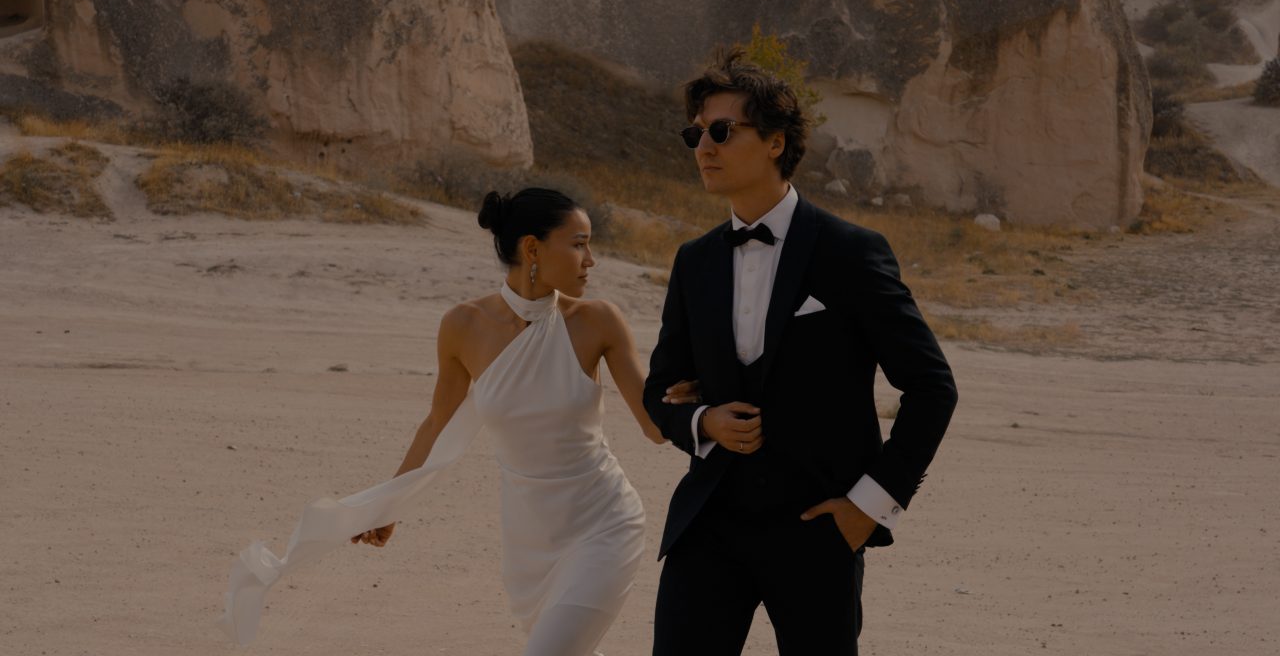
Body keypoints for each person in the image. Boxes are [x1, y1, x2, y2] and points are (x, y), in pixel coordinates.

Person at [220, 187, 698, 656]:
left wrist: (693, 398)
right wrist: (389, 504)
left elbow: (654, 427)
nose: (591, 260)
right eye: (578, 244)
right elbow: (436, 424)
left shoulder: (598, 321)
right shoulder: (463, 326)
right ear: (532, 249)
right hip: (529, 540)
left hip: (604, 525)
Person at [643, 50, 959, 655]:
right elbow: (660, 391)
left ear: (775, 142)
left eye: (721, 131)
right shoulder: (695, 260)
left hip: (818, 526)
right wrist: (703, 421)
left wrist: (870, 506)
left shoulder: (851, 252)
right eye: (694, 134)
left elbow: (930, 386)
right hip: (709, 524)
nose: (702, 147)